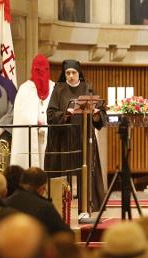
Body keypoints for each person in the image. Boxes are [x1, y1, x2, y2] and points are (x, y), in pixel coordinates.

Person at [45, 59, 106, 215]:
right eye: (67, 73)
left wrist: (97, 115)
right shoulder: (59, 89)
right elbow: (50, 115)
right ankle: (59, 205)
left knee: (84, 172)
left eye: (73, 73)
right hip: (63, 139)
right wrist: (65, 114)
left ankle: (86, 207)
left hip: (83, 137)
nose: (70, 76)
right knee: (63, 172)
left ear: (79, 73)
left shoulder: (87, 87)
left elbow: (99, 113)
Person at [11, 54, 55, 169]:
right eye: (38, 70)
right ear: (32, 69)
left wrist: (45, 125)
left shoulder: (55, 88)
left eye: (45, 70)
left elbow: (56, 113)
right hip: (29, 139)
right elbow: (21, 117)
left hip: (49, 139)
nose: (41, 73)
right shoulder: (24, 89)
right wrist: (34, 122)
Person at [5, 167, 71, 235]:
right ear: (41, 188)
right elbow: (65, 233)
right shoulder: (45, 207)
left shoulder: (5, 204)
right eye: (44, 188)